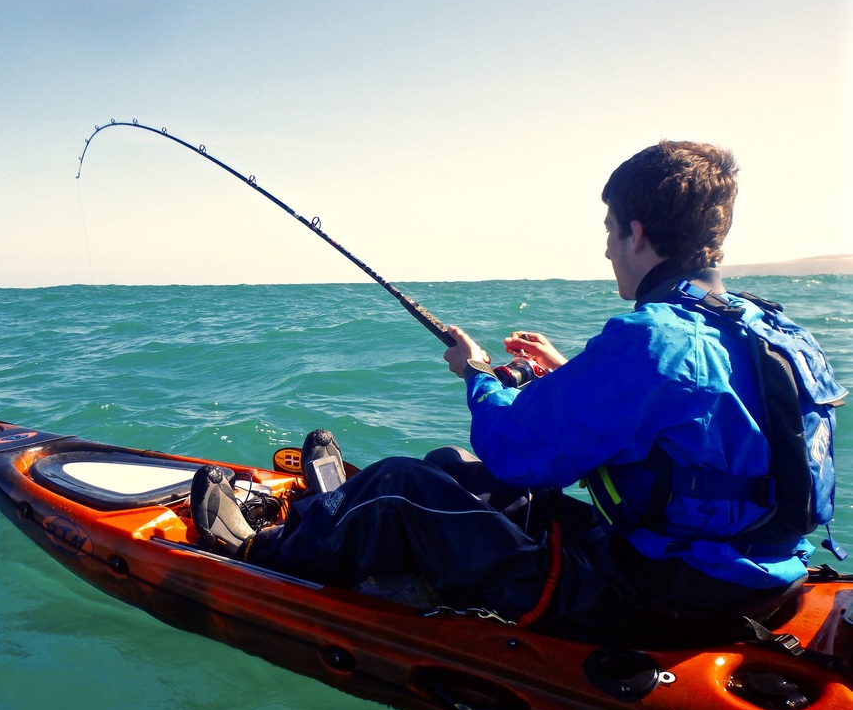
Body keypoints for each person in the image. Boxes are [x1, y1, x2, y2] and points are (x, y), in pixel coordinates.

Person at [189, 140, 846, 645]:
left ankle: (259, 551)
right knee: (452, 468)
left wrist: (477, 374)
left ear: (636, 232)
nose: (609, 250)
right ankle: (326, 521)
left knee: (400, 487)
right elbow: (701, 439)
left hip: (654, 595)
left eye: (612, 229)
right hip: (741, 575)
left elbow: (512, 449)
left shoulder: (654, 340)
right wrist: (563, 380)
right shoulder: (774, 328)